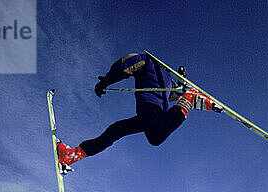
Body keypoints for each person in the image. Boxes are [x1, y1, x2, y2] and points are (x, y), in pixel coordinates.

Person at [56, 52, 222, 171]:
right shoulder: (169, 81)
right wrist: (183, 87)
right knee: (150, 137)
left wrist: (106, 81)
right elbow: (173, 95)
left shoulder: (147, 61)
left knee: (118, 130)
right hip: (158, 114)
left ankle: (190, 99)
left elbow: (125, 65)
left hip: (149, 107)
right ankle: (71, 156)